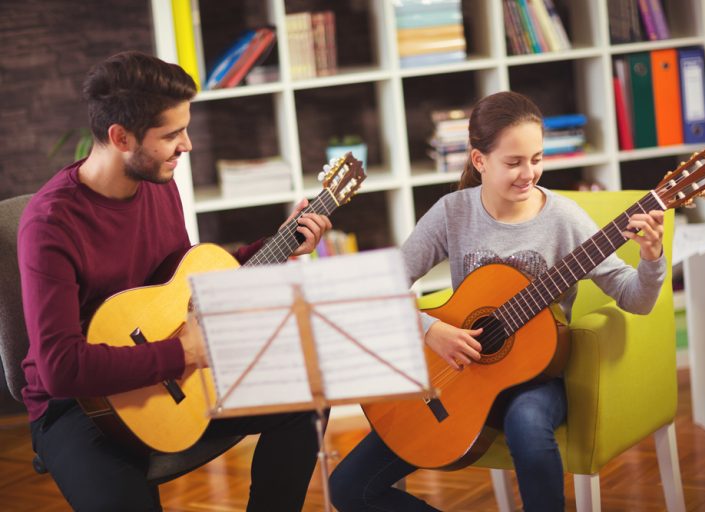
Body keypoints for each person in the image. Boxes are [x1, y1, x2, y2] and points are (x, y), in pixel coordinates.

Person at [18, 51, 332, 511]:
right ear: (120, 137)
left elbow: (182, 283)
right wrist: (183, 351)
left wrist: (280, 246)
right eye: (171, 135)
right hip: (78, 407)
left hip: (173, 374)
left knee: (308, 400)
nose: (187, 145)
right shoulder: (50, 225)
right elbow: (61, 368)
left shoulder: (160, 186)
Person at [329, 91, 667, 511]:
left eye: (537, 159)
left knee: (526, 425)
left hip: (537, 379)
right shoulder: (452, 213)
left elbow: (635, 299)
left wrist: (652, 259)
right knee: (347, 489)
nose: (529, 173)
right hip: (456, 379)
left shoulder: (564, 217)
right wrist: (430, 330)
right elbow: (379, 288)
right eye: (514, 162)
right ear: (479, 160)